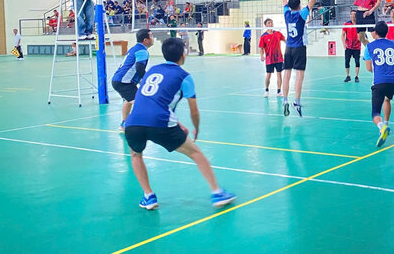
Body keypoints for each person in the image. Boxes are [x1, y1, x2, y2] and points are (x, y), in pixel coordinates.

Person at [124, 38, 235, 210]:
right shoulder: (184, 76)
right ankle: (217, 193)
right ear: (183, 54)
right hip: (160, 123)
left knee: (136, 155)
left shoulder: (152, 70)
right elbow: (194, 111)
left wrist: (177, 122)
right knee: (196, 153)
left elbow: (151, 100)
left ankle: (149, 196)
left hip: (133, 122)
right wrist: (196, 127)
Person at [363, 21, 394, 147]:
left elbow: (368, 68)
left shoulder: (369, 47)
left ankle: (381, 127)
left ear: (375, 33)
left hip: (379, 82)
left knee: (375, 114)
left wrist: (377, 69)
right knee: (387, 99)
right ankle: (387, 124)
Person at [281, 0, 316, 117]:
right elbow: (313, 0)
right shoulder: (302, 14)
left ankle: (284, 100)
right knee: (300, 75)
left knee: (287, 74)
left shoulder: (286, 14)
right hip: (299, 48)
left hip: (288, 48)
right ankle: (296, 100)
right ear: (299, 5)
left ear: (290, 6)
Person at [113, 29, 154, 131]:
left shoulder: (134, 49)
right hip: (124, 83)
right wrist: (146, 82)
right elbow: (139, 68)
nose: (153, 38)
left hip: (120, 81)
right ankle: (137, 125)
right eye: (151, 36)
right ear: (145, 40)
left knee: (128, 101)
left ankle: (124, 123)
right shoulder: (142, 51)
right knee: (141, 103)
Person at [259, 18, 286, 96]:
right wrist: (261, 55)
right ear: (266, 25)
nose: (270, 24)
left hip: (278, 58)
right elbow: (261, 48)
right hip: (269, 59)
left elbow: (285, 40)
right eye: (269, 23)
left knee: (279, 74)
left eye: (271, 23)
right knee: (268, 75)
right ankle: (267, 90)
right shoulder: (263, 36)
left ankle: (279, 91)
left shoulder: (278, 33)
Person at [342, 10, 362, 83]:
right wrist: (344, 43)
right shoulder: (347, 24)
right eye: (352, 14)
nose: (353, 16)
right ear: (350, 15)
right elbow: (343, 35)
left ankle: (356, 76)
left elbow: (363, 34)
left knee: (357, 61)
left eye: (354, 14)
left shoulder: (359, 24)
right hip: (348, 47)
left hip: (357, 47)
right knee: (347, 61)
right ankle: (348, 76)